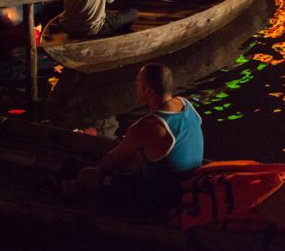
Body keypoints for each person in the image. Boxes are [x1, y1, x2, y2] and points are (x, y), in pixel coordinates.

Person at [63, 63, 204, 217]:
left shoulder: (149, 126)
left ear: (148, 90)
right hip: (186, 185)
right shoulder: (186, 104)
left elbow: (111, 161)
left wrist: (89, 175)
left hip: (161, 201)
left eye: (138, 83)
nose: (135, 86)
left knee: (90, 177)